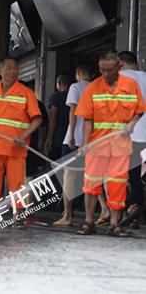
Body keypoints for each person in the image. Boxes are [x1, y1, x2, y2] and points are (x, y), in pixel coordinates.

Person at [75, 51, 145, 237]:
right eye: (102, 70)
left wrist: (132, 123)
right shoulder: (93, 88)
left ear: (118, 67)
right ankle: (89, 222)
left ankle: (115, 224)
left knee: (117, 185)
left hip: (120, 146)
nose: (105, 74)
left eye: (109, 70)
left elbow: (140, 110)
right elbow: (87, 119)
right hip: (97, 146)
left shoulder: (130, 86)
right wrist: (84, 142)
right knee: (91, 185)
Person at [0, 57, 42, 226]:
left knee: (17, 184)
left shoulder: (26, 93)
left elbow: (37, 119)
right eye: (8, 68)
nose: (12, 71)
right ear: (0, 71)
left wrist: (23, 136)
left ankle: (18, 216)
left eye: (15, 68)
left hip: (15, 147)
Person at [54, 64, 110, 227]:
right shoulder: (98, 87)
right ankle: (105, 208)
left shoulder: (75, 87)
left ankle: (68, 216)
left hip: (76, 138)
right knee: (92, 176)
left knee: (68, 178)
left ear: (78, 74)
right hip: (93, 138)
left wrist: (71, 134)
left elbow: (73, 111)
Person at [118, 51, 146, 228]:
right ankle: (136, 212)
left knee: (131, 176)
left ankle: (132, 210)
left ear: (121, 64)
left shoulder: (121, 78)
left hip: (131, 135)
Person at [46, 74, 72, 160]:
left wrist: (49, 138)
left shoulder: (56, 97)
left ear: (59, 83)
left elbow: (53, 118)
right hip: (71, 138)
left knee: (54, 167)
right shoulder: (74, 97)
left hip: (57, 137)